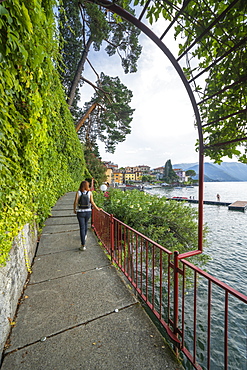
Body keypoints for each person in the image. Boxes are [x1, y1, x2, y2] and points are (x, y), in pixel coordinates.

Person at [74, 180, 101, 251]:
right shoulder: (90, 193)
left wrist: (74, 209)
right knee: (86, 224)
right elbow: (92, 202)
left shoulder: (78, 192)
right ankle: (85, 236)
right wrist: (97, 209)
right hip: (88, 211)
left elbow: (75, 202)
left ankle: (83, 245)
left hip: (80, 212)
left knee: (82, 227)